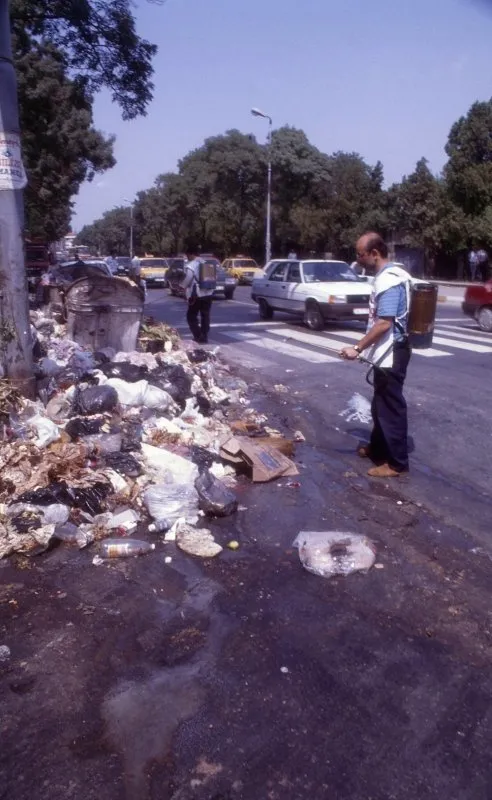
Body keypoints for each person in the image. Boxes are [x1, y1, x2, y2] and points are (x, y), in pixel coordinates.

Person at [341, 232, 412, 478]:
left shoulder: (388, 280)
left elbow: (384, 323)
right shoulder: (397, 274)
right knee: (380, 404)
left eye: (360, 254)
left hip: (393, 352)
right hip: (390, 351)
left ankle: (396, 464)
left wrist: (357, 348)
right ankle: (379, 449)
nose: (358, 259)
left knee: (391, 407)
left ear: (374, 253)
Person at [181, 255, 215, 344]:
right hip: (208, 293)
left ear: (191, 254)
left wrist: (181, 286)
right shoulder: (206, 263)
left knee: (191, 316)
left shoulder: (191, 265)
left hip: (197, 295)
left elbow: (188, 279)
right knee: (205, 316)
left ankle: (197, 335)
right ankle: (204, 336)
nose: (187, 257)